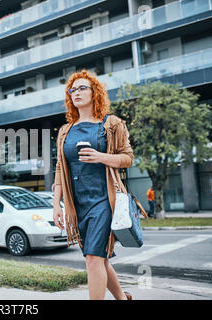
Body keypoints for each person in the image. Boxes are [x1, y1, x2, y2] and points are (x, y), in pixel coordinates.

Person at [52, 69, 134, 300]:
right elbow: (60, 167)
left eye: (81, 88)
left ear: (94, 92)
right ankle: (122, 299)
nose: (75, 92)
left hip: (103, 199)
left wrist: (101, 157)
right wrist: (56, 204)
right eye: (72, 89)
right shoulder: (65, 131)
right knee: (97, 257)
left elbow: (127, 158)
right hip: (76, 203)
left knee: (93, 259)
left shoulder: (112, 124)